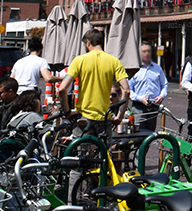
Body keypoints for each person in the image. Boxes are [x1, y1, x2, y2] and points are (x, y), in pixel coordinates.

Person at [57, 29, 130, 201]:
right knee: (104, 160)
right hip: (105, 120)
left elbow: (61, 89)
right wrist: (120, 115)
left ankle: (72, 202)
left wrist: (67, 112)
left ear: (88, 43)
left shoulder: (80, 60)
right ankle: (101, 199)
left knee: (77, 164)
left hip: (84, 121)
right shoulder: (113, 61)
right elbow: (126, 90)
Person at [131, 42, 169, 131]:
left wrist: (161, 96)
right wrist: (140, 98)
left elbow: (164, 84)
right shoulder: (135, 69)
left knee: (150, 134)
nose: (146, 53)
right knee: (138, 132)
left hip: (153, 106)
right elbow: (129, 89)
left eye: (148, 51)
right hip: (139, 107)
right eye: (144, 51)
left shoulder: (157, 68)